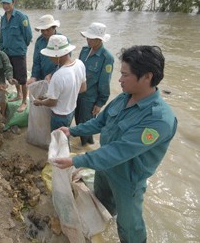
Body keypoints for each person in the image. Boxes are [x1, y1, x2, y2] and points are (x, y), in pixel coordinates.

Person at [54, 45, 178, 243]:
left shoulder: (158, 119)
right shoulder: (124, 97)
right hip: (104, 169)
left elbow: (119, 151)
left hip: (127, 180)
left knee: (130, 228)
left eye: (125, 75)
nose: (119, 80)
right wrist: (73, 130)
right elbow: (100, 122)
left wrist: (76, 160)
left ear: (147, 77)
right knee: (102, 207)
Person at [33, 35, 86, 131]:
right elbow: (83, 88)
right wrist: (67, 96)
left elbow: (52, 102)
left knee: (57, 142)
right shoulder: (79, 64)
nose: (49, 58)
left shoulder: (58, 76)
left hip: (59, 116)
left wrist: (40, 102)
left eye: (51, 55)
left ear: (58, 55)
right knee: (64, 137)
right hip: (71, 111)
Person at [75, 22, 115, 145]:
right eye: (87, 37)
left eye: (91, 38)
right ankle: (83, 146)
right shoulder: (85, 51)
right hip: (78, 94)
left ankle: (86, 148)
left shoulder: (106, 57)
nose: (88, 40)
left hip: (90, 99)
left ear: (99, 40)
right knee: (78, 122)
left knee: (87, 126)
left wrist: (100, 103)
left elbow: (104, 82)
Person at [0, 0, 33, 112]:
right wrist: (2, 49)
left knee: (22, 79)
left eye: (8, 3)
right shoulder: (3, 19)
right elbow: (2, 36)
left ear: (13, 2)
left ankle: (24, 100)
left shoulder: (21, 17)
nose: (5, 6)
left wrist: (22, 47)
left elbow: (28, 36)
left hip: (19, 53)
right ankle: (18, 94)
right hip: (7, 53)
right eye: (3, 3)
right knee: (13, 77)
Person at [26, 14, 63, 85]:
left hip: (58, 77)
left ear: (54, 28)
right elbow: (36, 61)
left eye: (48, 30)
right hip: (43, 77)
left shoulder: (63, 41)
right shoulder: (39, 41)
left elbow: (64, 63)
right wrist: (34, 76)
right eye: (43, 30)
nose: (45, 32)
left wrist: (52, 74)